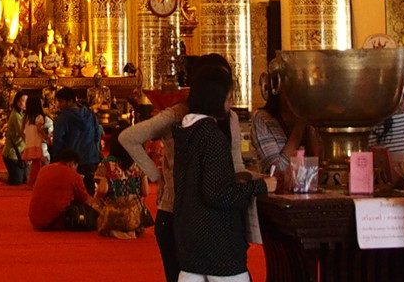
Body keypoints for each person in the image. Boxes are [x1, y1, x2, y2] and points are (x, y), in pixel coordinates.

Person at [122, 54, 251, 282]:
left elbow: (235, 164)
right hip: (176, 212)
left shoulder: (228, 117)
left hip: (217, 216)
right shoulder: (176, 115)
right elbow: (128, 137)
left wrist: (250, 183)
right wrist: (158, 176)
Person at [171, 64, 274, 282]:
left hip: (190, 239)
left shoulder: (186, 132)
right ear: (216, 98)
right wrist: (261, 186)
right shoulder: (212, 137)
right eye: (228, 98)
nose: (230, 104)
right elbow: (217, 194)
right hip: (218, 241)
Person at [249, 79, 313, 176]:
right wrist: (300, 124)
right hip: (278, 189)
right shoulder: (262, 118)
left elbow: (319, 163)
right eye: (290, 89)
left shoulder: (312, 118)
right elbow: (277, 171)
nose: (295, 96)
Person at [27, 147, 98, 230]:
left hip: (34, 219)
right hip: (54, 222)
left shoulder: (44, 169)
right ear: (72, 163)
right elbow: (84, 199)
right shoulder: (73, 175)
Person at [94, 132, 148, 239]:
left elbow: (102, 191)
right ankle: (132, 230)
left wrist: (95, 200)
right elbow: (145, 192)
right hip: (135, 215)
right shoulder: (140, 162)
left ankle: (114, 230)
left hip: (114, 214)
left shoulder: (107, 163)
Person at [52, 89, 104, 191]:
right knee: (89, 188)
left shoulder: (64, 117)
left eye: (61, 101)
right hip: (90, 157)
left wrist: (57, 156)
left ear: (70, 101)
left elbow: (58, 139)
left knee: (71, 190)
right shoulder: (90, 113)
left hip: (71, 161)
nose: (58, 105)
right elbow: (97, 135)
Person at [21, 93, 52, 185]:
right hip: (36, 144)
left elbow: (21, 131)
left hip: (29, 143)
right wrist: (46, 137)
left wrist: (26, 139)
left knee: (36, 163)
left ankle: (34, 181)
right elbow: (39, 129)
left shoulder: (26, 117)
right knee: (36, 164)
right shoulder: (39, 117)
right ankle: (31, 182)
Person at [3, 96, 31, 185]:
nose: (25, 103)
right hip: (13, 153)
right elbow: (23, 135)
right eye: (23, 101)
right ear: (17, 102)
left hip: (20, 152)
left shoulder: (22, 114)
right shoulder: (16, 116)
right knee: (17, 180)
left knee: (25, 178)